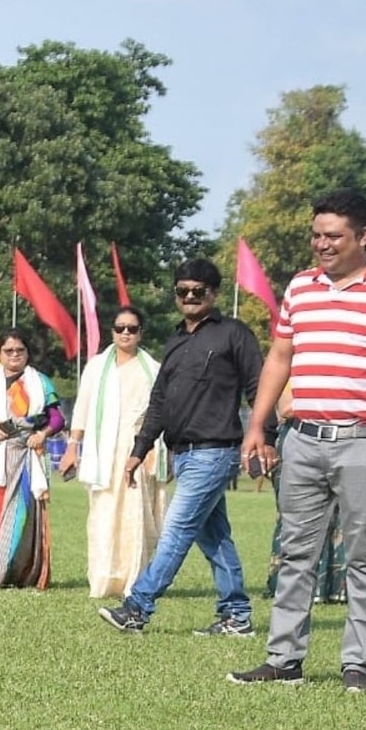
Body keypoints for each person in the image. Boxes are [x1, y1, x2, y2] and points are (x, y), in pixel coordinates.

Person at [233, 188, 366, 693]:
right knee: (295, 554)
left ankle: (358, 665)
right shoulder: (301, 288)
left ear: (363, 236)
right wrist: (257, 425)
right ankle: (283, 659)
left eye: (333, 236)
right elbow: (279, 359)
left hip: (365, 444)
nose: (322, 245)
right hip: (302, 440)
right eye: (316, 236)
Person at [98, 258, 265, 635]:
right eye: (182, 291)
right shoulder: (175, 341)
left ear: (214, 293)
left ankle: (137, 607)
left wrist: (265, 435)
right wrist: (139, 449)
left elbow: (259, 387)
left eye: (198, 291)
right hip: (183, 453)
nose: (190, 297)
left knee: (175, 530)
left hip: (215, 450)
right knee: (215, 538)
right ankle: (236, 616)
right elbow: (159, 400)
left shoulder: (234, 334)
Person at [59, 307, 167, 599]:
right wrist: (72, 446)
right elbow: (82, 408)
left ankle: (135, 579)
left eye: (132, 328)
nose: (126, 333)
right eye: (120, 328)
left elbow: (160, 414)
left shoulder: (153, 369)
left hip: (138, 450)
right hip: (102, 449)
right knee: (104, 515)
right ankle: (105, 578)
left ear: (141, 333)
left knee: (135, 515)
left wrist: (154, 451)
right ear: (112, 332)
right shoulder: (96, 367)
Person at [0, 328, 64, 590]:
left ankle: (24, 573)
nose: (14, 355)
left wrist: (42, 434)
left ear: (27, 353)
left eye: (20, 350)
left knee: (27, 516)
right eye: (8, 351)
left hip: (28, 456)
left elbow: (57, 418)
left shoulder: (40, 383)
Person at [263, 389, 347, 603]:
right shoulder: (291, 368)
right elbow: (286, 408)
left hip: (340, 438)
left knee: (338, 520)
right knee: (294, 517)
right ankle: (289, 585)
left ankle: (333, 587)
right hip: (298, 438)